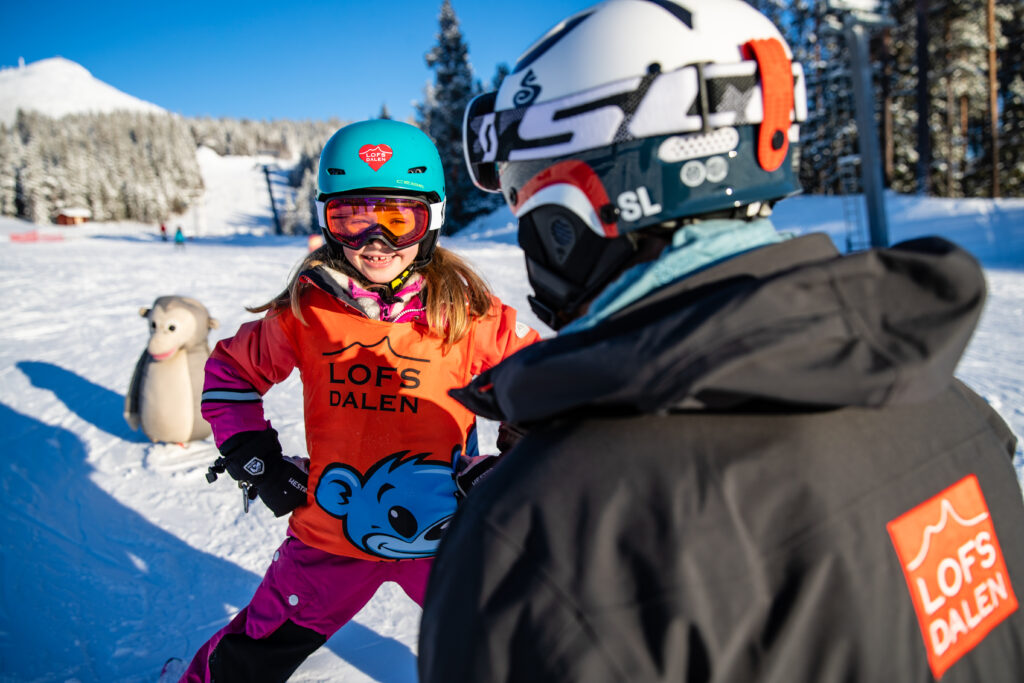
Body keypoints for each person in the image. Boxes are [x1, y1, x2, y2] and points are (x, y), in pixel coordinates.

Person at [418, 1, 1024, 681]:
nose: (524, 218)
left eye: (523, 185)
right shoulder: (956, 409)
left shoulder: (543, 539)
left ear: (585, 194)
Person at [180, 119, 539, 682]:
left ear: (433, 220)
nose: (376, 242)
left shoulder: (466, 315)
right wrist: (255, 456)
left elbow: (537, 389)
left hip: (449, 542)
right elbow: (230, 371)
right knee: (250, 657)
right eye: (351, 218)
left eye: (399, 219)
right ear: (327, 220)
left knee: (520, 649)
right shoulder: (307, 312)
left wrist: (512, 466)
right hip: (329, 541)